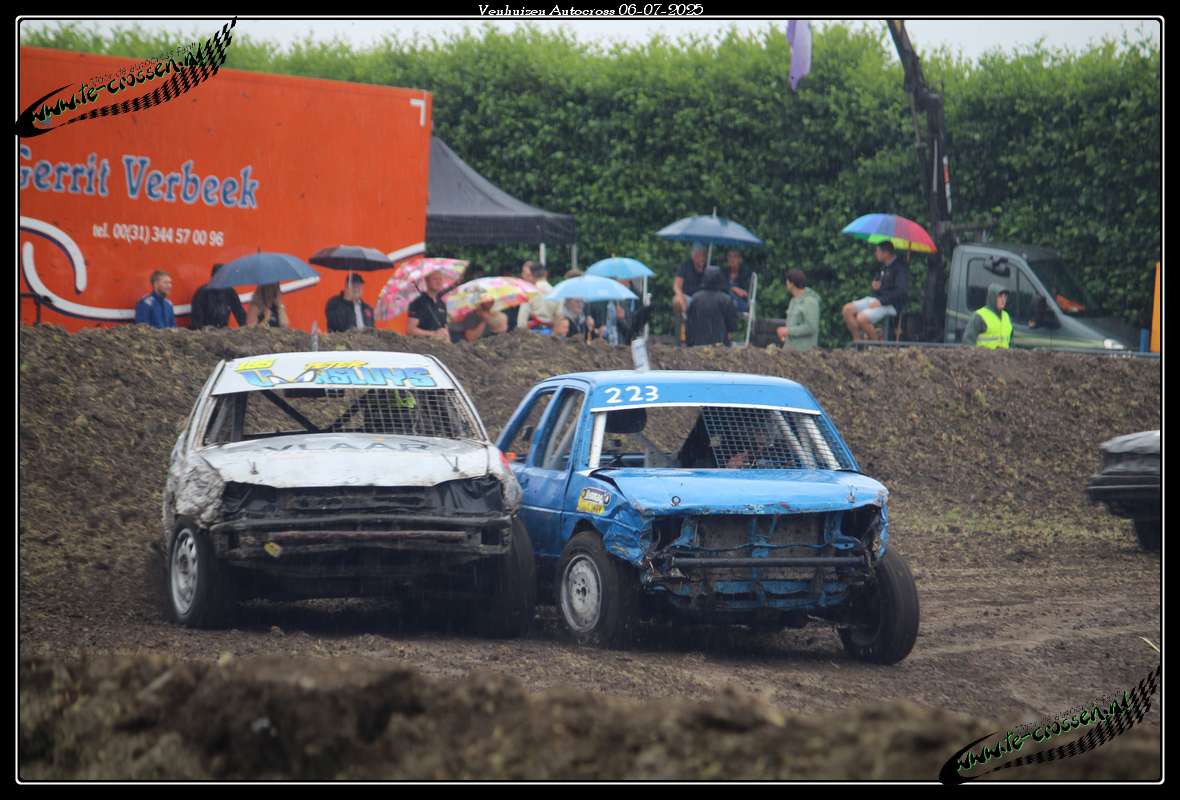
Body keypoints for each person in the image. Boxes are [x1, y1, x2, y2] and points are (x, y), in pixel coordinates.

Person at [842, 241, 910, 341]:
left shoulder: (900, 268)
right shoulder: (884, 266)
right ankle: (858, 343)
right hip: (877, 299)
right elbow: (884, 286)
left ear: (886, 253)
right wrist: (877, 286)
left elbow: (901, 292)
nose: (875, 253)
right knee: (847, 310)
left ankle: (877, 345)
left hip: (891, 304)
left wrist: (881, 301)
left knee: (861, 318)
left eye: (877, 251)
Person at [685, 265, 737, 347]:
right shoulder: (726, 300)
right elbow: (732, 326)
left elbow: (689, 324)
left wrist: (689, 343)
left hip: (697, 344)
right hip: (720, 345)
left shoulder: (695, 298)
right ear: (720, 278)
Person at [190, 263, 246, 330]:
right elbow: (197, 322)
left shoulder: (230, 292)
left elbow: (240, 314)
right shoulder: (201, 293)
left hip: (223, 330)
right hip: (206, 331)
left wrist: (248, 328)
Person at [777, 269, 821, 352]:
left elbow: (811, 327)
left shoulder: (810, 302)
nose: (786, 283)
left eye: (787, 281)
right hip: (790, 351)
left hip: (804, 354)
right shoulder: (793, 301)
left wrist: (788, 331)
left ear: (792, 283)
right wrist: (785, 332)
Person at [406, 269, 452, 342]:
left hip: (440, 345)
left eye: (440, 279)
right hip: (421, 344)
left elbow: (445, 328)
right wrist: (433, 334)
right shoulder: (418, 301)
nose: (438, 282)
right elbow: (410, 330)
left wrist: (449, 344)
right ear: (427, 281)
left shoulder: (442, 303)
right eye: (435, 279)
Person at [963, 283, 1013, 349]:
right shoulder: (979, 316)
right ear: (993, 297)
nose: (1003, 300)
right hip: (984, 355)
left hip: (1004, 355)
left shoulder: (1007, 317)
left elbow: (1010, 341)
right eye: (1000, 296)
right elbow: (968, 342)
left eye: (1005, 297)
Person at [516, 261, 558, 333]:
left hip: (534, 334)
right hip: (552, 334)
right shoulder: (556, 292)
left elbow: (521, 322)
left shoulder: (529, 293)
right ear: (546, 273)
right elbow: (559, 317)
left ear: (532, 275)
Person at [672, 242, 709, 317]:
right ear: (693, 255)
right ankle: (682, 321)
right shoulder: (685, 266)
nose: (701, 257)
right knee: (677, 301)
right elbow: (676, 286)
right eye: (697, 254)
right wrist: (681, 298)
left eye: (702, 254)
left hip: (702, 298)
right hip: (687, 297)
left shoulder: (709, 268)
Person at [725, 249, 754, 313]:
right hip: (724, 301)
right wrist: (733, 288)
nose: (732, 259)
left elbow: (746, 293)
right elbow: (719, 287)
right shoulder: (724, 272)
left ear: (740, 259)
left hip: (741, 303)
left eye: (735, 256)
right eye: (730, 256)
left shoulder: (746, 273)